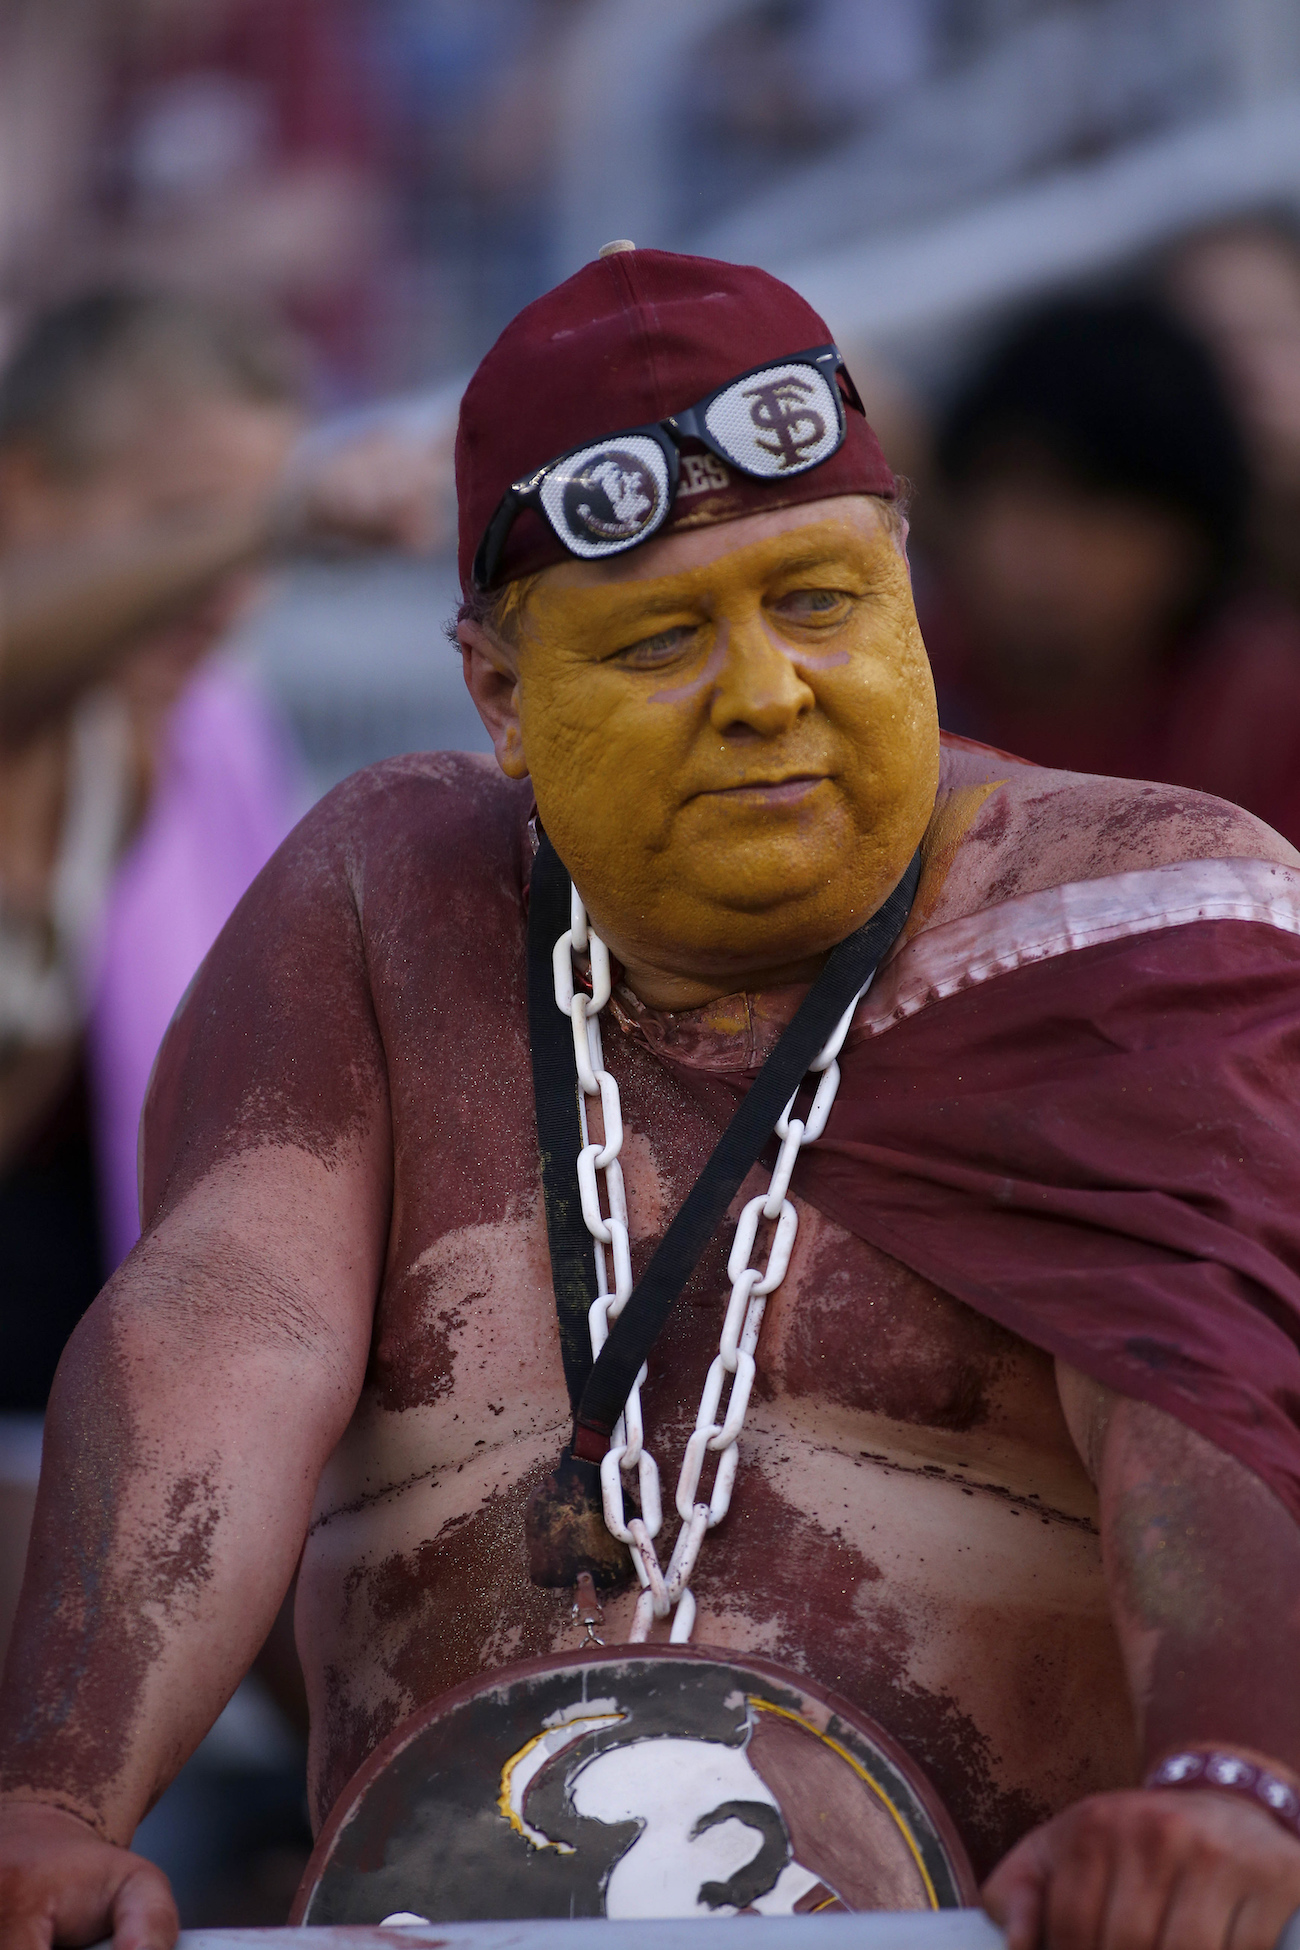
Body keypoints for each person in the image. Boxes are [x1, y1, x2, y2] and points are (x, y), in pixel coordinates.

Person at [4, 247, 1300, 1950]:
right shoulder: (380, 899)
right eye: (663, 638)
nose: (766, 692)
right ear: (500, 696)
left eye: (820, 602)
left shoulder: (1122, 902)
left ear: (908, 585)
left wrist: (1230, 1780)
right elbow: (225, 1324)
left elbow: (1208, 1378)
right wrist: (57, 1797)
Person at [921, 292, 1300, 847]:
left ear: (1188, 540)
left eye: (1098, 511)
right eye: (1020, 497)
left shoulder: (1261, 710)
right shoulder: (909, 676)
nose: (1048, 551)